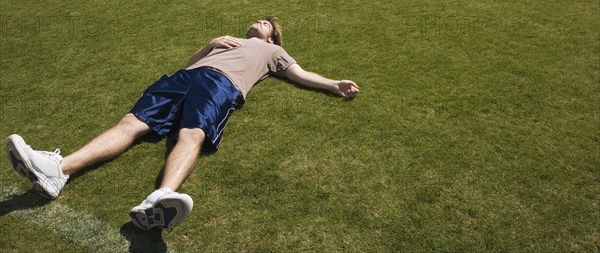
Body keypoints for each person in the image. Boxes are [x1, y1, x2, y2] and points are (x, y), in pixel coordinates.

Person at [5, 16, 359, 231]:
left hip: (222, 85)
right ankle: (57, 170)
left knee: (192, 132)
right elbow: (189, 63)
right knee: (132, 122)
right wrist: (209, 44)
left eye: (268, 24)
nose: (261, 21)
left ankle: (160, 198)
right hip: (184, 78)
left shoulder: (272, 53)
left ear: (271, 39)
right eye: (260, 20)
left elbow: (299, 74)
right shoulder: (226, 40)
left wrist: (333, 84)